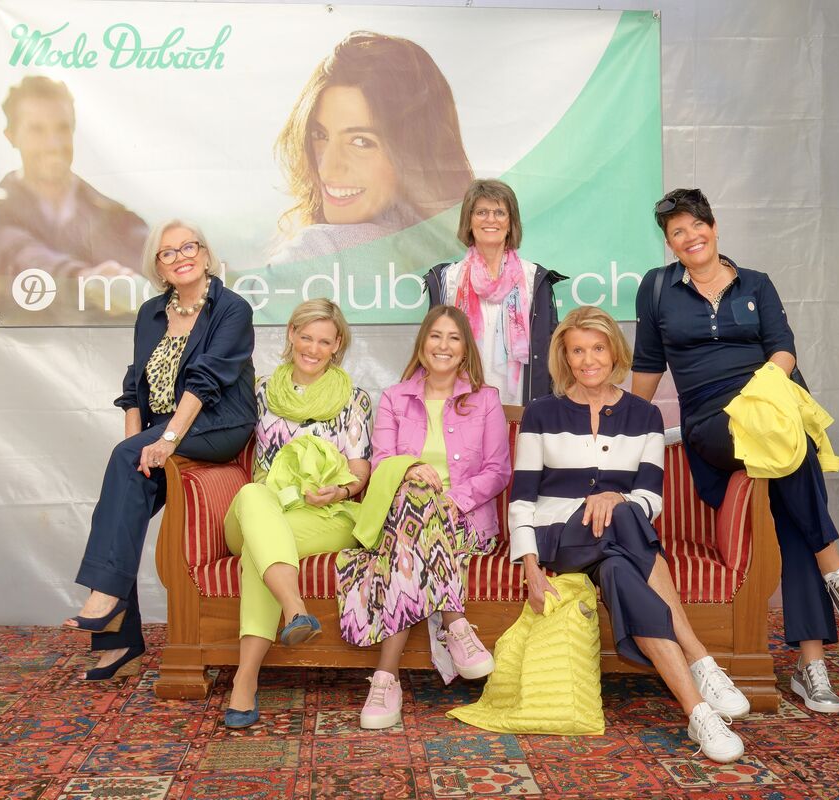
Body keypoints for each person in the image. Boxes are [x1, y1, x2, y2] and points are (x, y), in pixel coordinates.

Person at [632, 188, 839, 715]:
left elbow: (783, 351)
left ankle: (811, 665)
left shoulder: (757, 283)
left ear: (714, 227)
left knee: (790, 509)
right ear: (669, 243)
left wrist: (764, 397)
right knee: (789, 447)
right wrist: (624, 423)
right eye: (677, 232)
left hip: (768, 402)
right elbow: (648, 365)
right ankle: (835, 567)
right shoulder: (656, 289)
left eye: (697, 225)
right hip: (712, 422)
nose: (690, 236)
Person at [510, 306, 750, 764]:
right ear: (564, 358)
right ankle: (700, 657)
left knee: (621, 571)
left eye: (597, 348)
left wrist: (616, 499)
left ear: (614, 352)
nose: (588, 360)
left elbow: (650, 498)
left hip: (618, 543)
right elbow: (521, 499)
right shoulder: (541, 413)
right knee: (622, 514)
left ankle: (698, 713)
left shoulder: (644, 415)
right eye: (577, 351)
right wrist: (530, 567)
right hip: (559, 537)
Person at [63, 220, 256, 679]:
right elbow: (136, 385)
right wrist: (135, 443)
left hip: (220, 423)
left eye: (188, 247)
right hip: (163, 427)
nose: (180, 257)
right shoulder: (152, 312)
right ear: (159, 266)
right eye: (168, 253)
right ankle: (122, 644)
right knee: (124, 496)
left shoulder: (231, 308)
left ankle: (106, 599)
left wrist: (165, 441)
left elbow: (207, 381)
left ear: (205, 254)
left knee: (125, 462)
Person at [335, 305, 510, 730]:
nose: (443, 345)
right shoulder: (396, 398)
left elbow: (498, 471)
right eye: (435, 336)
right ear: (422, 343)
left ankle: (385, 678)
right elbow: (382, 461)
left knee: (407, 543)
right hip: (406, 520)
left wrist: (455, 499)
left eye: (453, 337)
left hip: (465, 522)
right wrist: (410, 469)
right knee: (414, 499)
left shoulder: (485, 400)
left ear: (465, 349)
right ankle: (456, 625)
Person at [222, 299, 372, 729]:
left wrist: (340, 490)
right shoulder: (261, 391)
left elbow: (360, 469)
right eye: (306, 337)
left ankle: (245, 680)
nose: (313, 348)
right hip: (264, 505)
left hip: (325, 514)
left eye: (324, 341)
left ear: (337, 345)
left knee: (259, 551)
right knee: (252, 495)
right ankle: (294, 607)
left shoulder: (353, 398)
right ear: (291, 334)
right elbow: (220, 434)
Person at [270, 31, 473, 263]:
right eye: (320, 135)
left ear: (416, 153)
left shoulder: (319, 253)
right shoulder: (473, 257)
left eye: (361, 141)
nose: (327, 168)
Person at [0, 76, 148, 320]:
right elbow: (22, 255)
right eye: (37, 130)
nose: (53, 144)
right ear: (11, 136)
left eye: (62, 128)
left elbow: (153, 254)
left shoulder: (114, 215)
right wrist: (84, 280)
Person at [424, 179, 566, 405]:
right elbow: (433, 350)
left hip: (521, 408)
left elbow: (551, 352)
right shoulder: (448, 280)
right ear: (469, 221)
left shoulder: (533, 279)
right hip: (461, 406)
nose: (490, 219)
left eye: (499, 212)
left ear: (511, 223)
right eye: (481, 212)